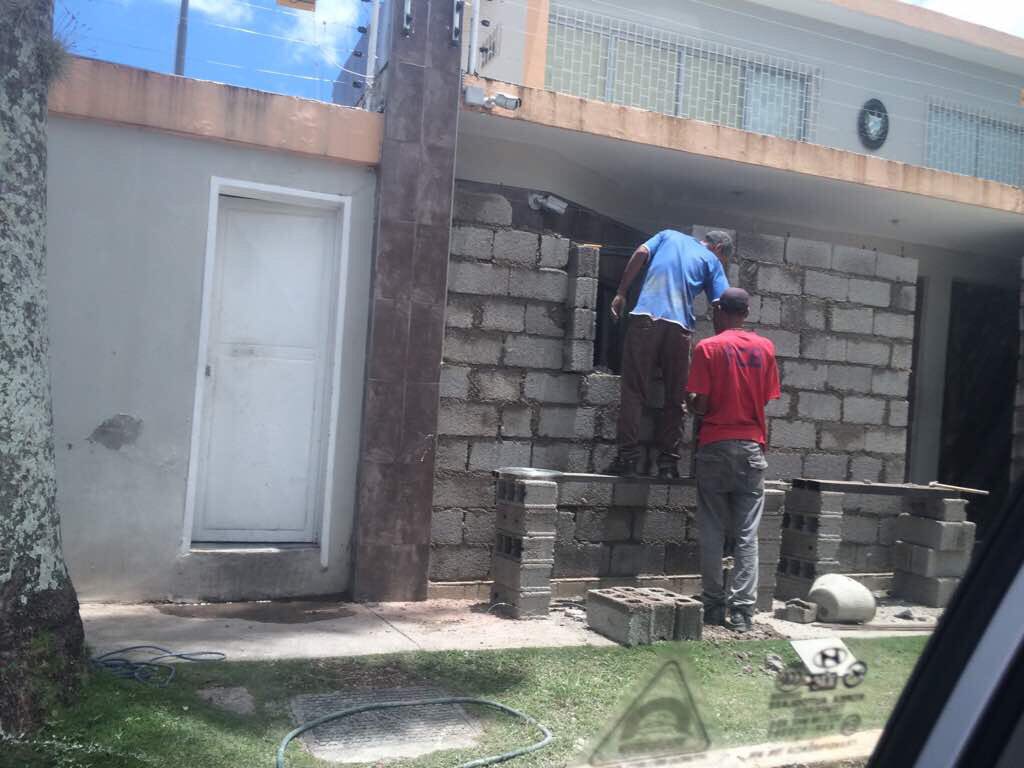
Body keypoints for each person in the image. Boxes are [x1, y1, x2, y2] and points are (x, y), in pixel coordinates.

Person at [686, 287, 780, 633]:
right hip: (751, 448)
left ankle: (712, 607)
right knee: (746, 535)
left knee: (711, 529)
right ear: (747, 312)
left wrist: (691, 403)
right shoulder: (765, 348)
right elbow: (766, 398)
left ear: (718, 311)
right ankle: (742, 612)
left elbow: (702, 403)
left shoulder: (708, 348)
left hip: (714, 446)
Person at [605, 229, 733, 479]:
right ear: (718, 249)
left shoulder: (668, 235)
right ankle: (668, 465)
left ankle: (627, 460)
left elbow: (641, 252)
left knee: (633, 392)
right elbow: (720, 305)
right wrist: (724, 341)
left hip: (645, 320)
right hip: (679, 330)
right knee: (677, 399)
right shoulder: (713, 261)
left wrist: (621, 292)